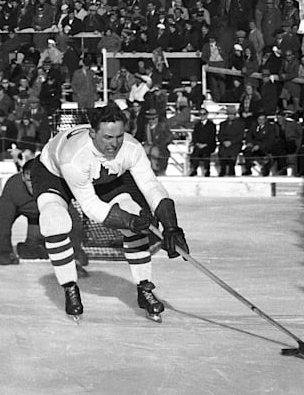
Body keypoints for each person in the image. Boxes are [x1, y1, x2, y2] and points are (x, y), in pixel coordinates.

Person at [31, 103, 190, 321]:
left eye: (119, 137)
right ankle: (69, 287)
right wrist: (130, 222)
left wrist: (172, 225)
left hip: (102, 176)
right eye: (107, 138)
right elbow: (91, 207)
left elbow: (151, 186)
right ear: (92, 132)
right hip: (54, 174)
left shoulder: (131, 148)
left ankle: (145, 289)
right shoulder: (75, 157)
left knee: (134, 213)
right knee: (55, 221)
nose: (114, 144)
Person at [0, 158, 88, 268]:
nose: (33, 185)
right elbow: (2, 221)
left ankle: (30, 245)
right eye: (28, 180)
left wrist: (75, 252)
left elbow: (73, 221)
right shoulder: (15, 187)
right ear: (22, 178)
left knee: (39, 246)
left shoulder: (56, 187)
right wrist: (3, 251)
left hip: (41, 215)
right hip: (15, 209)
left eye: (37, 180)